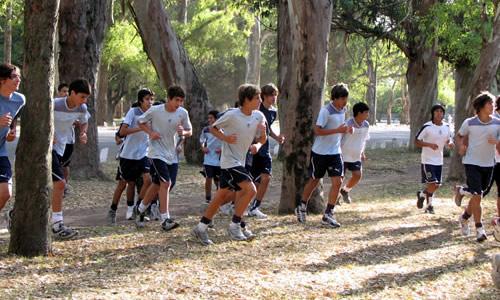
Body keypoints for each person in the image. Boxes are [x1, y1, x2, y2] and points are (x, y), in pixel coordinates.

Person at [192, 83, 266, 245]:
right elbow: (213, 128)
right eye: (256, 98)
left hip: (240, 160)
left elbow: (263, 138)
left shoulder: (259, 116)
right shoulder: (232, 115)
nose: (260, 100)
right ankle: (235, 225)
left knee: (220, 197)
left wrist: (257, 145)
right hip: (229, 161)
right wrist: (226, 138)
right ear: (246, 100)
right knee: (251, 189)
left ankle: (201, 228)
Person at [295, 83, 352, 228]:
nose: (345, 101)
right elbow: (317, 131)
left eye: (346, 98)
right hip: (320, 152)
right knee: (314, 180)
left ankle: (328, 214)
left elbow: (340, 127)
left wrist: (345, 130)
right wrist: (337, 130)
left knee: (338, 182)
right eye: (343, 98)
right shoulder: (325, 111)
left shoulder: (343, 109)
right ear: (335, 98)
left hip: (335, 152)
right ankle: (301, 206)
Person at [135, 85, 192, 231]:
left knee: (158, 185)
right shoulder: (155, 110)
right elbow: (140, 122)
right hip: (156, 153)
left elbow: (190, 131)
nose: (178, 104)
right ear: (169, 99)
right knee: (165, 183)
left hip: (171, 154)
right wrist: (150, 133)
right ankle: (165, 219)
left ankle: (140, 209)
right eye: (176, 100)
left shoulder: (182, 113)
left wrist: (183, 132)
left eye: (181, 101)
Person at [454, 92, 500, 242]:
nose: (493, 107)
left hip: (489, 163)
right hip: (472, 162)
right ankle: (480, 229)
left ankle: (462, 200)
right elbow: (460, 135)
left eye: (493, 104)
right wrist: (461, 146)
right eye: (490, 104)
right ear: (480, 106)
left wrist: (497, 142)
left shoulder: (497, 123)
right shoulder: (469, 122)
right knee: (478, 195)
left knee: (477, 194)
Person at [107, 88, 154, 225]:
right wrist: (141, 127)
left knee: (148, 180)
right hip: (127, 155)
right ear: (140, 101)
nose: (150, 102)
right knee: (125, 184)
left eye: (151, 99)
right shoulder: (133, 112)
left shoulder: (153, 114)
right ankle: (113, 210)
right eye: (147, 99)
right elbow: (122, 131)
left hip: (143, 154)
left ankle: (138, 208)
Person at [51, 79, 91, 239]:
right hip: (49, 148)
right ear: (72, 93)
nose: (84, 101)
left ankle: (18, 213)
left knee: (53, 186)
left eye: (86, 98)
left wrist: (83, 132)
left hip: (63, 147)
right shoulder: (55, 104)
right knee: (60, 183)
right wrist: (50, 133)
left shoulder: (82, 107)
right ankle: (57, 225)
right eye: (82, 96)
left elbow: (84, 122)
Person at [248, 83, 285, 219]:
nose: (273, 98)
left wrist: (277, 137)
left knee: (266, 177)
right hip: (252, 148)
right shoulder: (257, 109)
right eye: (271, 95)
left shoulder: (273, 112)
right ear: (263, 96)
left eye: (275, 95)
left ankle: (255, 206)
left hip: (264, 148)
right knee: (252, 179)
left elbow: (267, 129)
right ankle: (236, 203)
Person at [414, 104, 454, 214]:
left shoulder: (446, 126)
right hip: (427, 160)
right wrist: (429, 145)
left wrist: (450, 143)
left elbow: (448, 139)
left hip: (439, 160)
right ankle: (430, 206)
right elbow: (416, 141)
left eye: (441, 111)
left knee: (436, 185)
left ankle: (422, 195)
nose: (439, 113)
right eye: (436, 111)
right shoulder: (427, 126)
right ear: (433, 113)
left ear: (443, 114)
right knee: (432, 183)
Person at [0, 63, 25, 225]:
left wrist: (11, 131)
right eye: (14, 77)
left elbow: (14, 118)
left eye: (19, 77)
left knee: (6, 193)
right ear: (2, 80)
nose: (18, 80)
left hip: (0, 152)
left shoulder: (19, 100)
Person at [338, 102, 370, 204]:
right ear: (359, 113)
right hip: (343, 155)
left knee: (357, 175)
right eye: (366, 112)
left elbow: (364, 139)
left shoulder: (366, 125)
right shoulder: (348, 124)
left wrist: (362, 152)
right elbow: (339, 138)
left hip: (356, 156)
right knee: (339, 179)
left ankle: (345, 191)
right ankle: (334, 201)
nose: (367, 115)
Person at [200, 110, 221, 203]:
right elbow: (202, 140)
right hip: (208, 159)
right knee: (208, 178)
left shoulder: (223, 129)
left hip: (220, 160)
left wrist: (222, 150)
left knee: (218, 180)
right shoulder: (206, 129)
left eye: (211, 118)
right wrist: (203, 148)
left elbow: (227, 142)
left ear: (217, 119)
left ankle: (219, 197)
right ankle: (208, 198)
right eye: (208, 118)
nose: (209, 120)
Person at [57, 83, 74, 195]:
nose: (65, 93)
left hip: (69, 140)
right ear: (58, 92)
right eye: (63, 91)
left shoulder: (74, 105)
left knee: (65, 165)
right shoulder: (54, 105)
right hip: (56, 141)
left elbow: (83, 120)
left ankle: (64, 186)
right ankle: (56, 185)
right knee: (56, 164)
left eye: (67, 91)